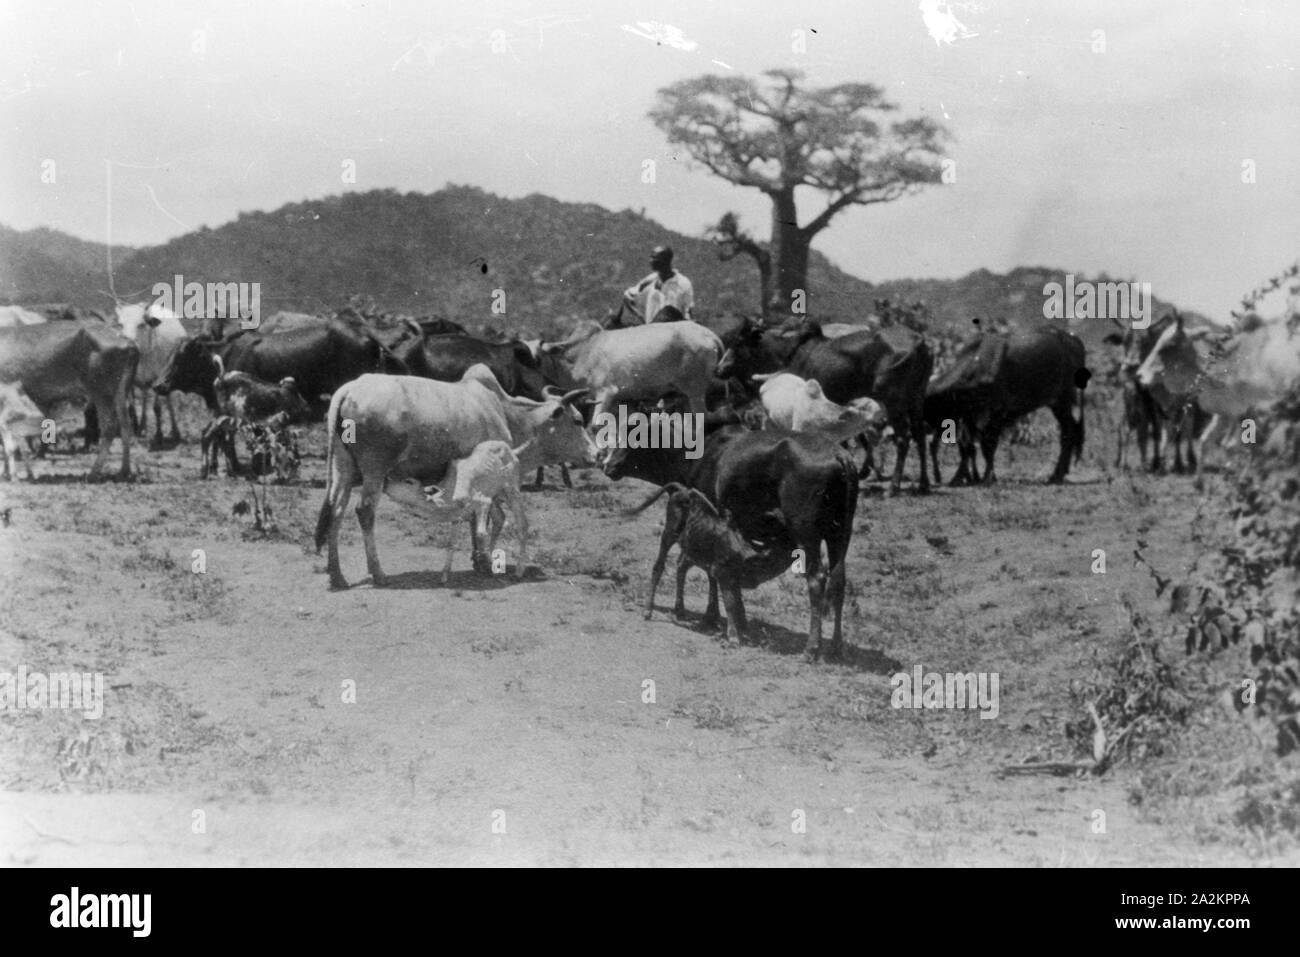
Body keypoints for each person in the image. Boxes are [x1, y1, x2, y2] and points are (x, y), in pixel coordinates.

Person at [622, 245, 694, 323]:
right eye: (651, 257)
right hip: (652, 331)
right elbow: (627, 297)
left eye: (655, 258)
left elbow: (688, 311)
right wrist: (640, 317)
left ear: (666, 260)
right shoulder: (649, 280)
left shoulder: (683, 283)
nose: (651, 261)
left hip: (674, 331)